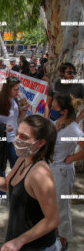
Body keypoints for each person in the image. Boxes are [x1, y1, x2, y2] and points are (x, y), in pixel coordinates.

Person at [0, 115, 60, 250]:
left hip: (36, 247)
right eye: (17, 134)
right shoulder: (23, 159)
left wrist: (19, 241)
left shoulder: (40, 173)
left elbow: (53, 220)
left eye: (24, 137)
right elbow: (7, 184)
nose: (17, 139)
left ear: (40, 143)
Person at [0, 77, 29, 205]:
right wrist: (3, 128)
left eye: (18, 89)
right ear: (8, 88)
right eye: (15, 89)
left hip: (13, 141)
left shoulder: (14, 99)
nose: (17, 92)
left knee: (18, 166)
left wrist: (23, 110)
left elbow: (16, 118)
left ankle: (17, 191)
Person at [49, 94, 84, 250]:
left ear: (64, 111)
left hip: (63, 173)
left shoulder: (73, 129)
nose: (51, 109)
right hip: (52, 170)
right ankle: (55, 232)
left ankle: (63, 241)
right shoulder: (59, 122)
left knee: (62, 208)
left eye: (55, 108)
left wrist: (72, 158)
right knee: (52, 205)